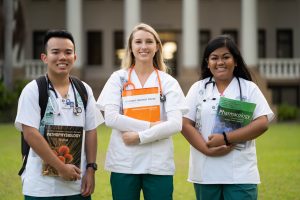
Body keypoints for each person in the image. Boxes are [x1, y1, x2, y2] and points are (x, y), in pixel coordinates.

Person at [97, 23, 187, 200]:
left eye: (149, 41)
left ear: (157, 47)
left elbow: (176, 124)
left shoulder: (167, 82)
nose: (143, 46)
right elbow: (111, 118)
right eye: (138, 42)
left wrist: (140, 136)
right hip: (124, 163)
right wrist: (151, 125)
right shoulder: (118, 79)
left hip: (158, 165)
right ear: (130, 47)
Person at [182, 35, 274, 200]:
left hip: (241, 172)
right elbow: (185, 123)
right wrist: (206, 149)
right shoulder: (198, 88)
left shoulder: (248, 88)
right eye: (214, 58)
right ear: (207, 63)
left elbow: (262, 123)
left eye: (226, 57)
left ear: (236, 61)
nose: (220, 62)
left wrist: (225, 138)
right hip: (206, 171)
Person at [15, 29, 104, 200]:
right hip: (41, 188)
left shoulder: (84, 90)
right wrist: (61, 167)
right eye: (55, 52)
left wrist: (91, 169)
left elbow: (91, 130)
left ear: (75, 57)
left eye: (68, 52)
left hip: (77, 185)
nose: (62, 57)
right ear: (45, 57)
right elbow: (30, 134)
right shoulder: (33, 90)